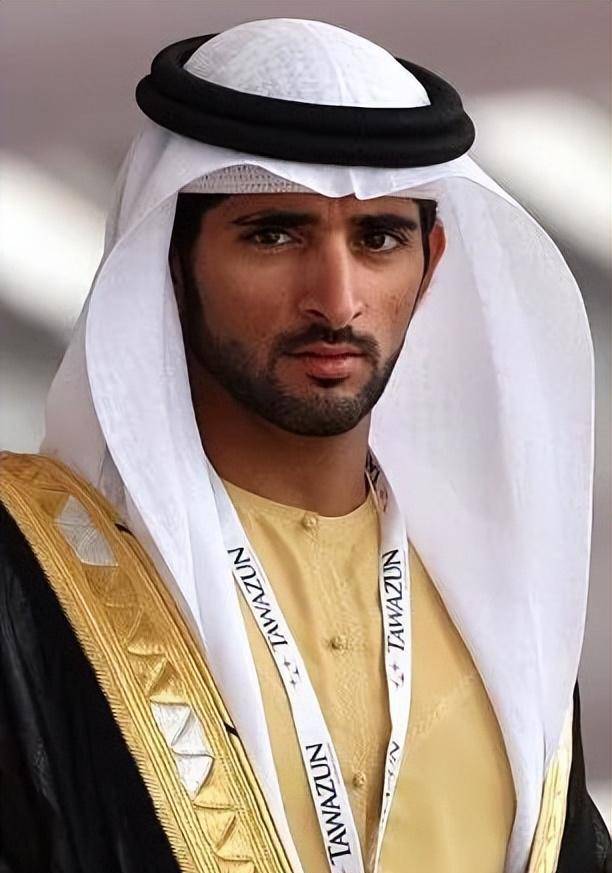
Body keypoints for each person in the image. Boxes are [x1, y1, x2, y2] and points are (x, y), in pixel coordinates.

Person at [0, 17, 609, 873]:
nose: (336, 299)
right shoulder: (29, 576)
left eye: (378, 238)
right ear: (171, 257)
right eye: (274, 234)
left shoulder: (498, 604)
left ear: (431, 262)